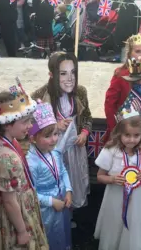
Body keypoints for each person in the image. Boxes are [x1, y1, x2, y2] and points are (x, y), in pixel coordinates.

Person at [0, 86, 49, 250]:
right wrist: (22, 231)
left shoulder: (2, 141)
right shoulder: (8, 158)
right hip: (14, 216)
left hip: (13, 205)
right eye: (25, 122)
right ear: (7, 125)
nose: (30, 125)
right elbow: (9, 202)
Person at [31, 51, 91, 209]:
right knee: (56, 182)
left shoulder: (81, 92)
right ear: (51, 74)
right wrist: (55, 126)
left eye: (73, 72)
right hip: (51, 150)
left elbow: (87, 118)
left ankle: (71, 213)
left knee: (72, 183)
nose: (70, 78)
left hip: (74, 150)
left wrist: (84, 133)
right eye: (63, 73)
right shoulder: (39, 96)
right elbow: (31, 127)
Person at [94, 111, 141, 250]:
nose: (132, 140)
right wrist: (111, 179)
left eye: (136, 135)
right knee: (114, 225)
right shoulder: (111, 150)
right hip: (115, 197)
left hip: (138, 201)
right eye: (127, 135)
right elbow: (99, 176)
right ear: (119, 133)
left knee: (135, 228)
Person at [26, 101, 73, 249]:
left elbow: (63, 171)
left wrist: (68, 190)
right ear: (33, 138)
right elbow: (28, 193)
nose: (54, 139)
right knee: (48, 238)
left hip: (60, 201)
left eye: (56, 134)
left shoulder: (55, 152)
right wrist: (51, 201)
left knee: (62, 234)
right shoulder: (31, 163)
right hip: (45, 211)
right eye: (48, 136)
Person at [104, 33, 141, 141]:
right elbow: (109, 104)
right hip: (123, 130)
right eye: (137, 51)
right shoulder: (121, 74)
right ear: (129, 54)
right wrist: (115, 129)